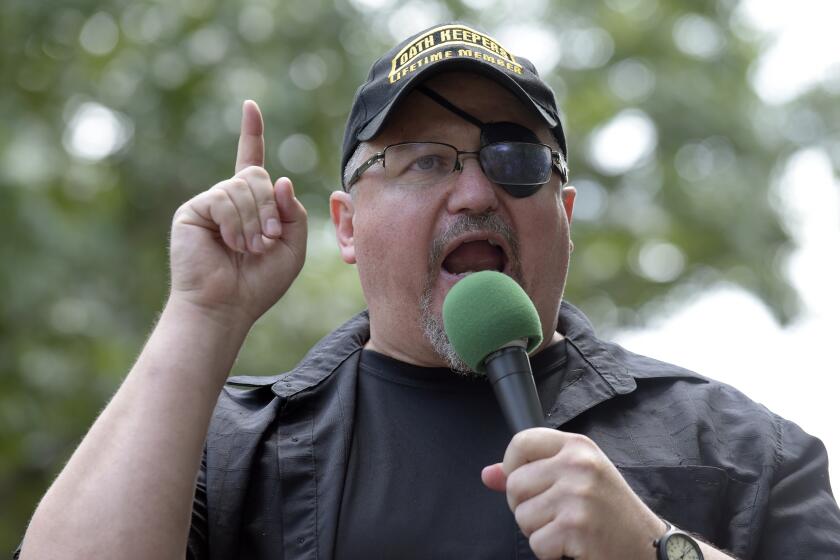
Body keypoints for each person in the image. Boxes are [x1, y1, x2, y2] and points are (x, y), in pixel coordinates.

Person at [17, 22, 840, 560]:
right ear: (345, 224)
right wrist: (203, 313)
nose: (477, 193)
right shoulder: (228, 452)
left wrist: (661, 549)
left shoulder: (743, 452)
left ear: (567, 213)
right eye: (424, 160)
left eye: (515, 159)